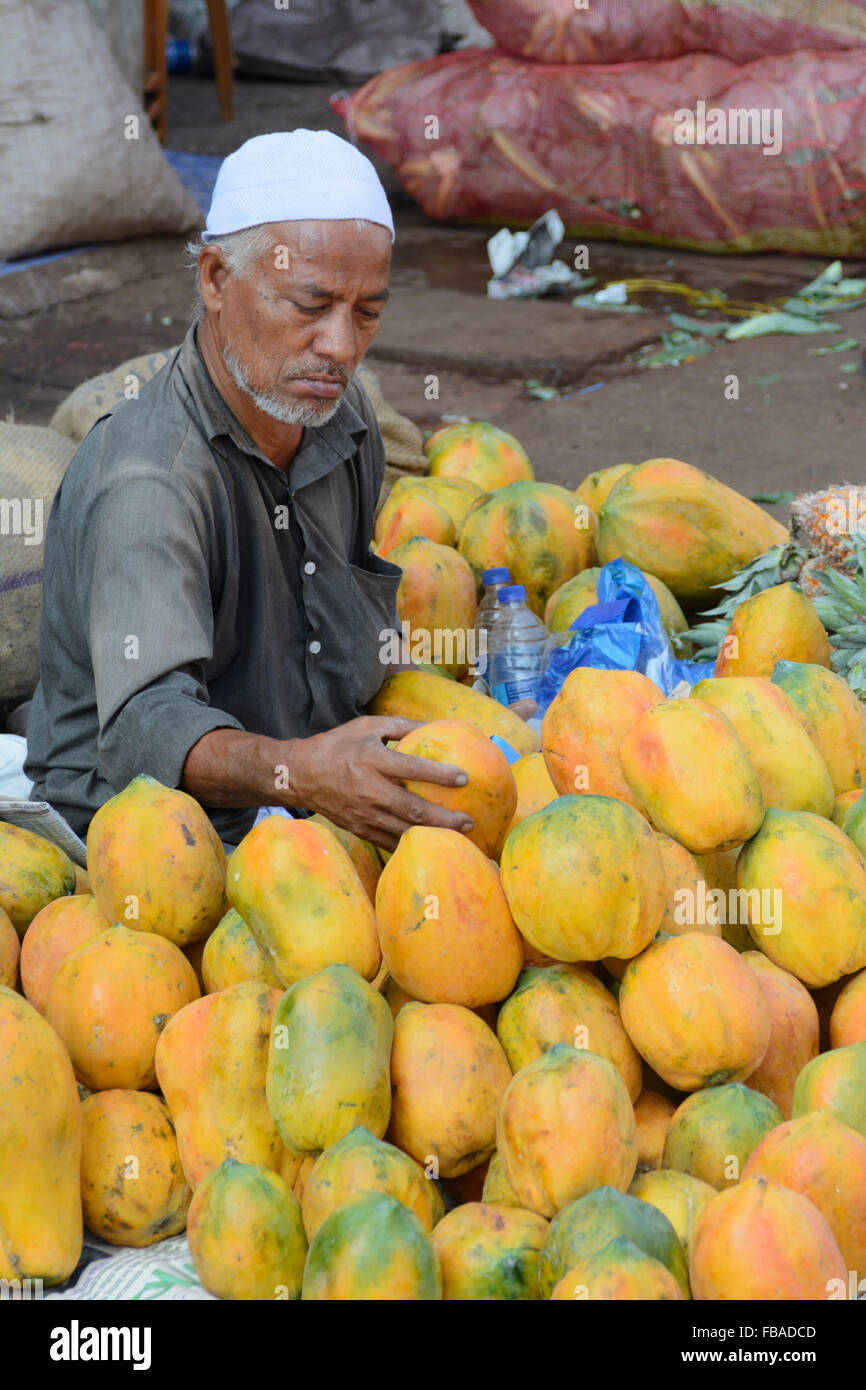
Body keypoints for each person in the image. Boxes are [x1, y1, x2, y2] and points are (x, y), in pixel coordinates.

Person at [24, 130, 477, 851]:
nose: (340, 346)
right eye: (309, 305)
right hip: (141, 846)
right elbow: (148, 728)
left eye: (366, 312)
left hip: (295, 817)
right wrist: (301, 773)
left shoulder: (345, 420)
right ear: (213, 278)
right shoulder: (150, 479)